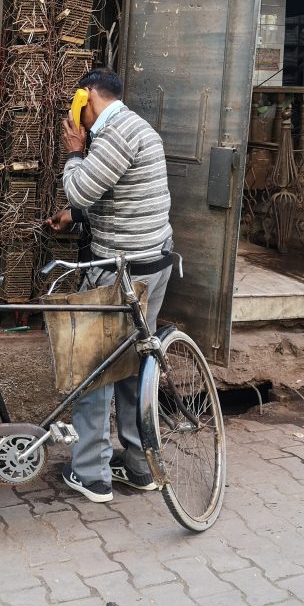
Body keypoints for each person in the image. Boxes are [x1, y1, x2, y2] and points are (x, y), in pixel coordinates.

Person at [45, 67, 173, 504]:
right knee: (133, 365)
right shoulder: (135, 126)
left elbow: (81, 189)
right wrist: (76, 217)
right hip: (151, 265)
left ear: (85, 98)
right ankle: (140, 467)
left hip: (121, 272)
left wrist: (74, 152)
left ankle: (91, 475)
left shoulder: (112, 134)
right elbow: (119, 194)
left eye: (75, 103)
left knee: (94, 368)